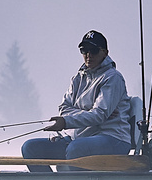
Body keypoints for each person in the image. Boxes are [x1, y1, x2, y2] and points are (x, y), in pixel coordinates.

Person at [21, 30, 135, 171]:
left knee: (76, 149)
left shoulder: (113, 78)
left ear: (105, 53)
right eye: (84, 50)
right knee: (30, 148)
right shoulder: (77, 79)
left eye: (93, 50)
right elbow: (64, 108)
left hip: (113, 138)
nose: (88, 55)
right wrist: (88, 112)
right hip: (79, 138)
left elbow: (99, 114)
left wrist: (67, 121)